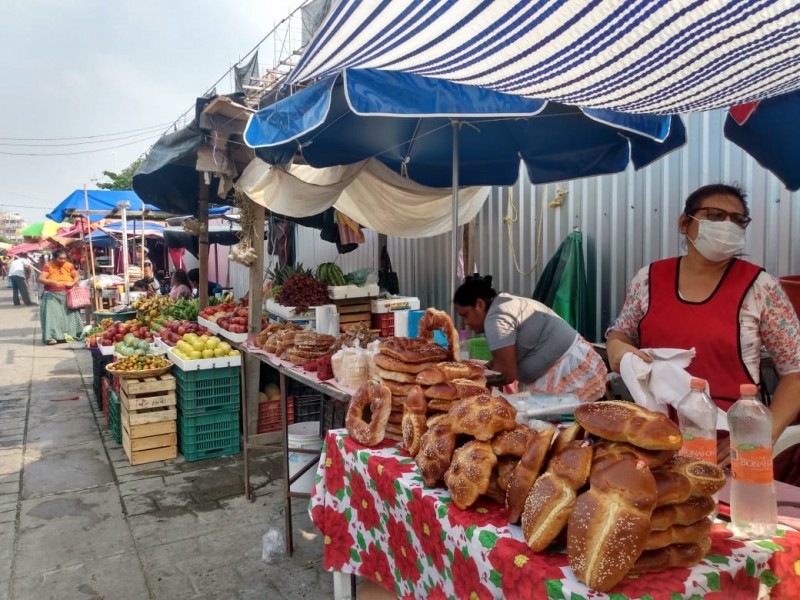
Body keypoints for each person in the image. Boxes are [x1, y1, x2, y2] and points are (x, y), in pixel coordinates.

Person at [605, 183, 800, 473]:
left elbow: (795, 372)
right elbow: (621, 333)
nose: (728, 225)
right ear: (685, 223)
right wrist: (618, 347)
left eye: (737, 219)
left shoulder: (761, 288)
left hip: (727, 446)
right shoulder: (648, 279)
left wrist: (759, 436)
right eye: (715, 215)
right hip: (652, 439)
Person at [453, 275, 608, 401]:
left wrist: (470, 382)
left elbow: (506, 374)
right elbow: (503, 359)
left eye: (465, 315)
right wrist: (484, 368)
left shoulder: (496, 319)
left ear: (479, 304)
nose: (465, 323)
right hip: (574, 360)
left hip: (566, 372)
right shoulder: (505, 304)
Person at [38, 249, 83, 345]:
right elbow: (41, 279)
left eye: (64, 258)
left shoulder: (69, 265)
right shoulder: (48, 266)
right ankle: (51, 337)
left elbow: (76, 275)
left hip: (67, 295)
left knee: (70, 317)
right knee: (52, 317)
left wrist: (73, 282)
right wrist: (53, 282)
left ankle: (71, 335)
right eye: (60, 258)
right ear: (54, 258)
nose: (63, 260)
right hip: (52, 295)